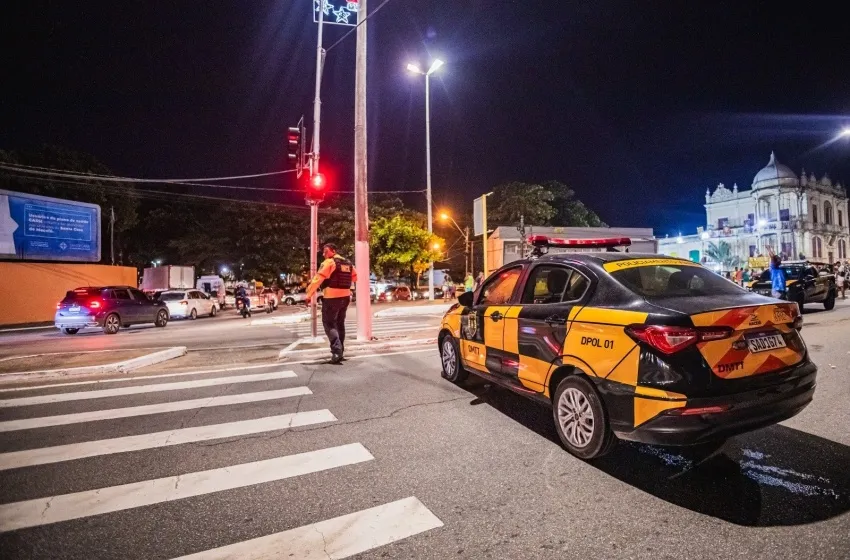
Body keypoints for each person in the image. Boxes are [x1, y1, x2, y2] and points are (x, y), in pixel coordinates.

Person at [306, 243, 358, 364]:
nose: (324, 254)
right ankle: (340, 351)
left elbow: (317, 279)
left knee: (329, 323)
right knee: (340, 324)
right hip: (345, 297)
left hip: (331, 298)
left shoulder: (329, 262)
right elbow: (355, 277)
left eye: (326, 251)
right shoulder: (348, 263)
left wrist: (309, 295)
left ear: (333, 251)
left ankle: (336, 351)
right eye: (323, 252)